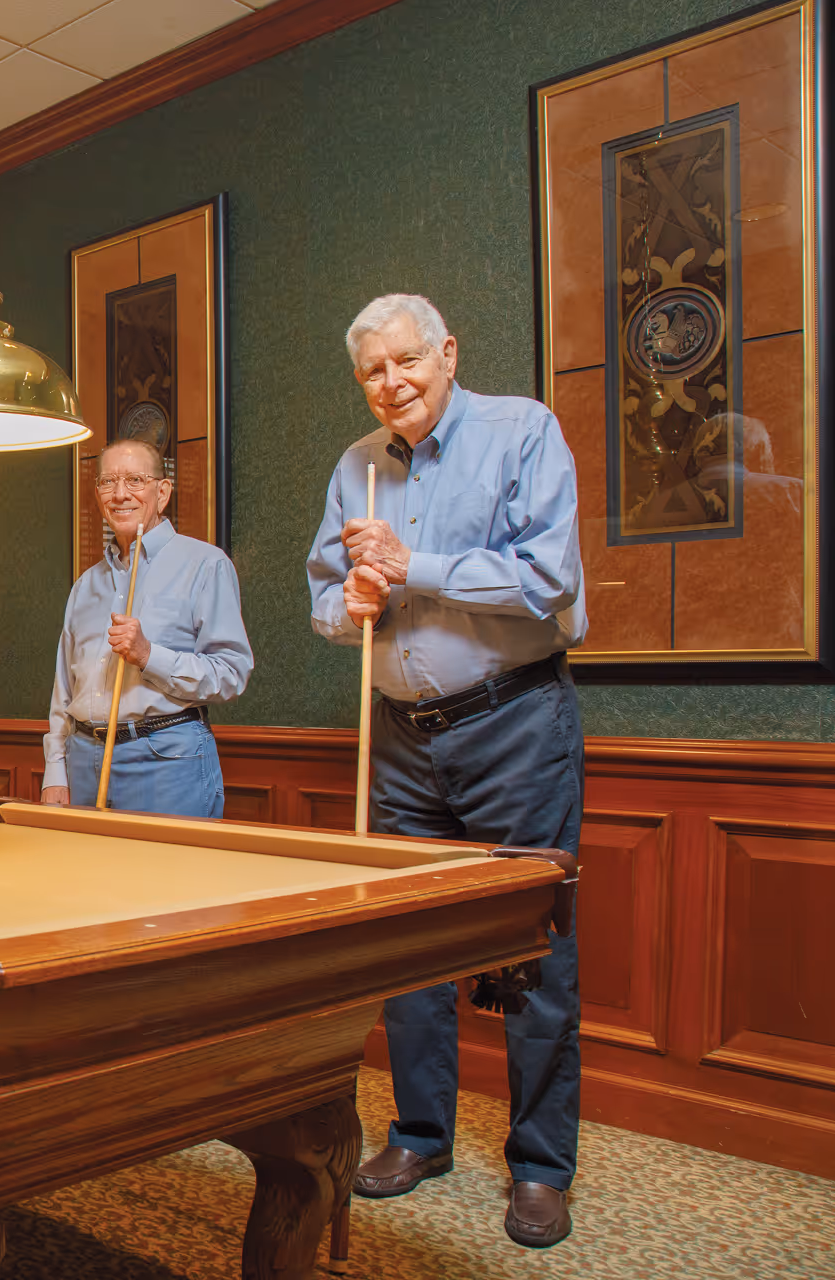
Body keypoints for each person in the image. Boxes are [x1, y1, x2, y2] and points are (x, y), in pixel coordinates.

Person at [305, 293, 586, 1248]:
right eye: (373, 372)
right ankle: (421, 1134)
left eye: (406, 362)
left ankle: (541, 1167)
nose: (392, 384)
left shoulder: (522, 432)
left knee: (531, 952)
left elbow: (548, 583)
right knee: (406, 949)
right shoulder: (356, 467)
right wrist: (348, 600)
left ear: (448, 353)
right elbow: (322, 600)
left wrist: (412, 563)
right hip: (401, 737)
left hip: (514, 725)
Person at [41, 437, 252, 815]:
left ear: (163, 490)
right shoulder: (85, 584)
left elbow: (231, 674)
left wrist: (148, 655)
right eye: (107, 482)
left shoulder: (205, 564)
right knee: (85, 875)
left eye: (135, 480)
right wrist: (55, 769)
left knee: (170, 875)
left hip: (166, 758)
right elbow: (64, 689)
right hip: (84, 759)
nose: (120, 494)